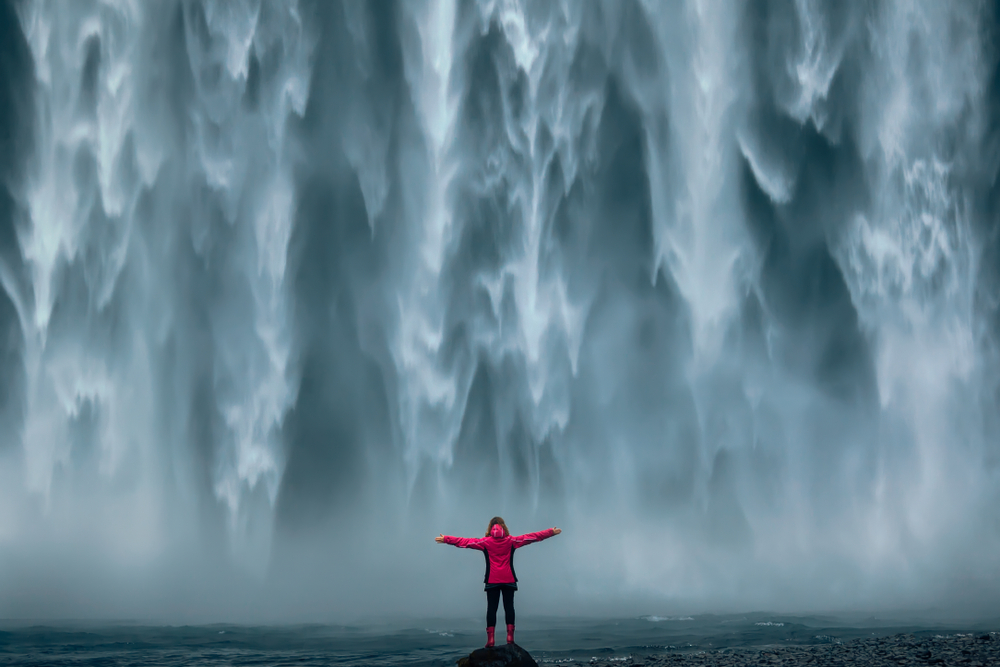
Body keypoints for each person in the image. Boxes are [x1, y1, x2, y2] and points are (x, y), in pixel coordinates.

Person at [436, 517, 561, 647]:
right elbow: (532, 537)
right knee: (509, 608)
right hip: (509, 579)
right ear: (504, 527)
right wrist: (550, 532)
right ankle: (510, 637)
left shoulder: (485, 542)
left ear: (490, 528)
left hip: (492, 580)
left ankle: (490, 640)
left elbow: (466, 542)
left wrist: (446, 539)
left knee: (491, 609)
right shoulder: (512, 541)